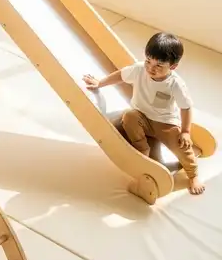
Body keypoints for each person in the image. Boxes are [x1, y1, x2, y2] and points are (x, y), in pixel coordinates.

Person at [83, 32, 202, 195]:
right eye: (148, 61)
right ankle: (142, 149)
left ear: (173, 67)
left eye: (159, 65)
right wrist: (100, 83)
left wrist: (186, 132)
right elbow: (121, 75)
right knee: (129, 116)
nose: (151, 68)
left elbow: (186, 107)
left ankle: (193, 175)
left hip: (164, 123)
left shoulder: (175, 84)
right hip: (141, 117)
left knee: (181, 146)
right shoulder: (140, 69)